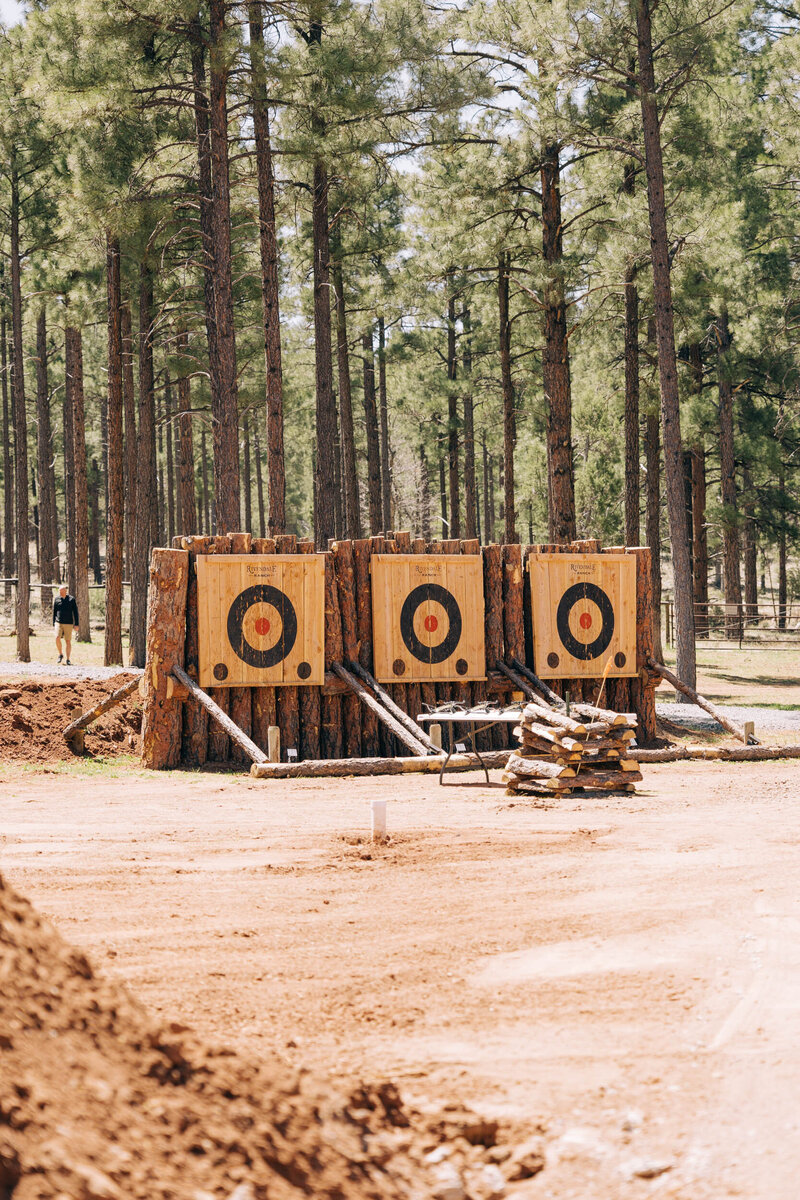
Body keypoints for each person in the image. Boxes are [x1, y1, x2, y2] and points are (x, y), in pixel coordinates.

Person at [53, 584, 79, 665]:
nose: (61, 592)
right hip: (58, 622)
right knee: (57, 638)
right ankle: (60, 654)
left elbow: (75, 612)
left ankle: (68, 659)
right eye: (60, 591)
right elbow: (54, 612)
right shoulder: (57, 599)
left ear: (66, 591)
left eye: (62, 591)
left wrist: (76, 624)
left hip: (69, 623)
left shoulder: (71, 599)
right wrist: (53, 622)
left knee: (68, 641)